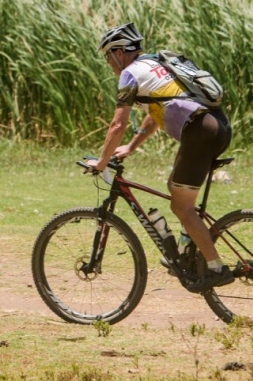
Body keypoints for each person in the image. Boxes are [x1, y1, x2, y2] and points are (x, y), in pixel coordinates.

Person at [86, 22, 234, 291]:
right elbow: (155, 115)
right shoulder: (157, 65)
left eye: (107, 56)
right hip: (218, 125)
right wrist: (131, 147)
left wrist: (101, 161)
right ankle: (187, 250)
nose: (108, 62)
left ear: (119, 53)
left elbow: (117, 124)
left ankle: (216, 268)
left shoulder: (129, 74)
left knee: (181, 207)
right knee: (176, 192)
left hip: (201, 131)